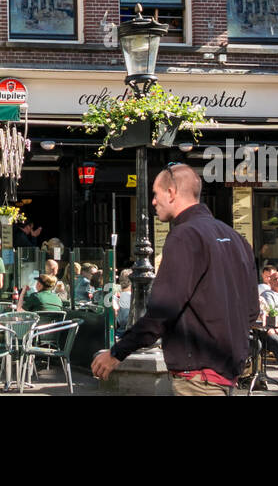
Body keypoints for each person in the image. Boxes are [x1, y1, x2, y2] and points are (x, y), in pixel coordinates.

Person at [91, 165, 259, 396]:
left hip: (197, 376)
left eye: (155, 194)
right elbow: (252, 311)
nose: (153, 202)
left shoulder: (184, 236)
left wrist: (116, 353)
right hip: (228, 373)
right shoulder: (236, 238)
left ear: (171, 193)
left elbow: (162, 310)